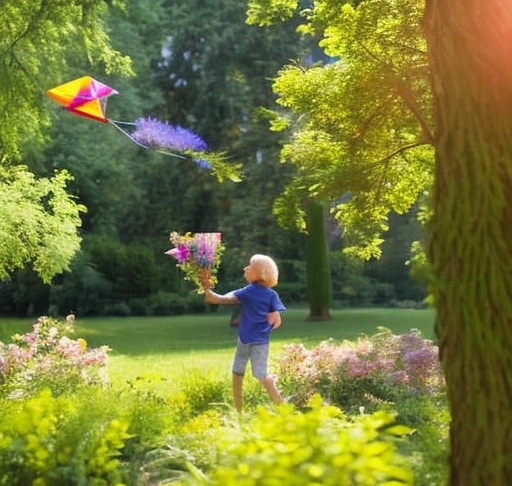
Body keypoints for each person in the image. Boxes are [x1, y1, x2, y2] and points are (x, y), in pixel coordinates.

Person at [204, 254, 286, 412]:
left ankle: (280, 404)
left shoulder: (266, 294)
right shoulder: (250, 291)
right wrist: (209, 292)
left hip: (258, 341)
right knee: (237, 371)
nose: (245, 269)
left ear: (260, 272)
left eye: (250, 267)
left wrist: (212, 297)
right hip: (245, 339)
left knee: (259, 374)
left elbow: (276, 319)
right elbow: (226, 298)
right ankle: (238, 411)